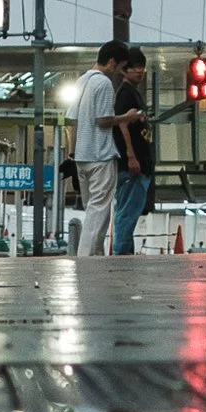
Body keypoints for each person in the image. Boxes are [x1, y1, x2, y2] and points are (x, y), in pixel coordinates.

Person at [71, 41, 124, 257]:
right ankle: (86, 259)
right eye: (120, 67)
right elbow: (103, 120)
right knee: (98, 210)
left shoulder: (82, 80)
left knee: (91, 208)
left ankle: (95, 255)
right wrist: (126, 117)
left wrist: (72, 151)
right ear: (112, 62)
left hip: (82, 155)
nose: (119, 72)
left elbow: (71, 119)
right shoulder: (103, 84)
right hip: (100, 154)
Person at [110, 46, 155, 254]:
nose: (140, 70)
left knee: (130, 213)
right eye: (135, 67)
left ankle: (125, 254)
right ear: (123, 70)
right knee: (127, 214)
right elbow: (122, 125)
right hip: (133, 166)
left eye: (142, 67)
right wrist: (131, 156)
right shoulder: (125, 94)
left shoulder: (132, 93)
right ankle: (121, 256)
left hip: (139, 164)